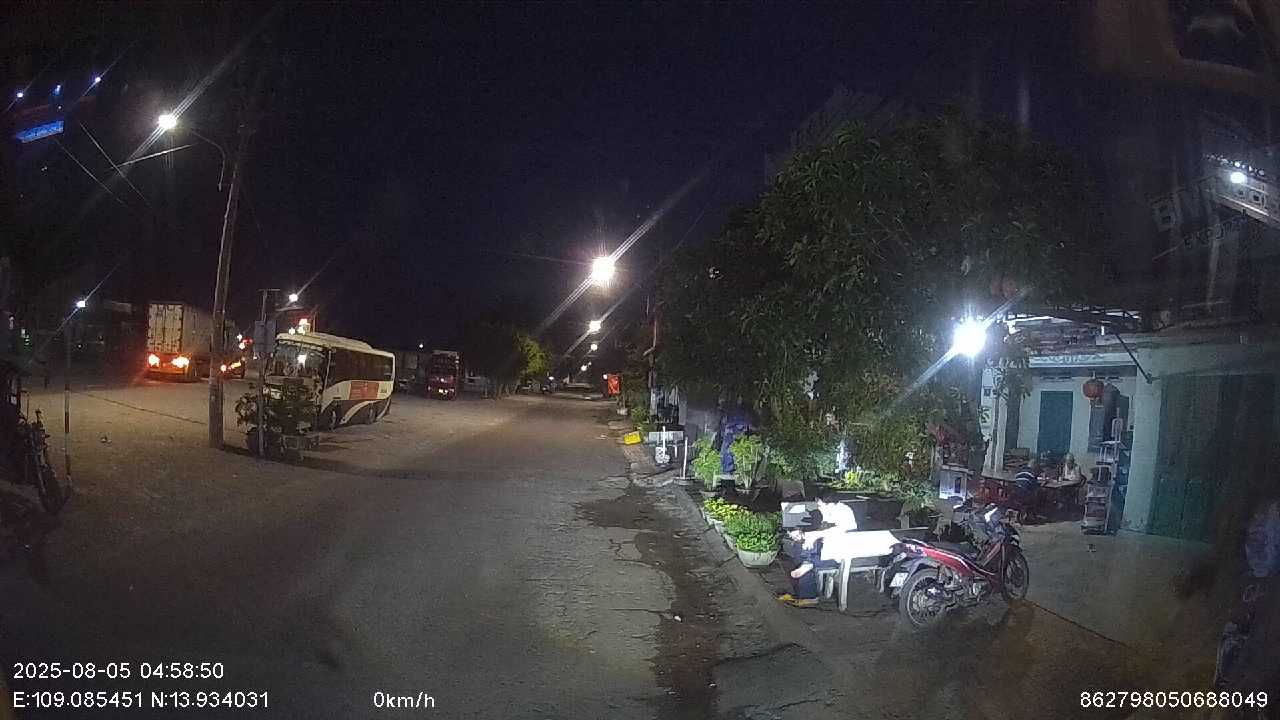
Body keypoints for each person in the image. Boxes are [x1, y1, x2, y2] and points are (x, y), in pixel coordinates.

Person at [776, 491, 858, 607]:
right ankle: (804, 589)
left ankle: (808, 592)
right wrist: (803, 535)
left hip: (839, 555)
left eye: (819, 505)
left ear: (830, 503)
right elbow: (824, 530)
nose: (818, 507)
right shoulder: (829, 511)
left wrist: (814, 536)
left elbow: (839, 530)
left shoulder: (843, 511)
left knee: (805, 554)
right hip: (827, 549)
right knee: (801, 547)